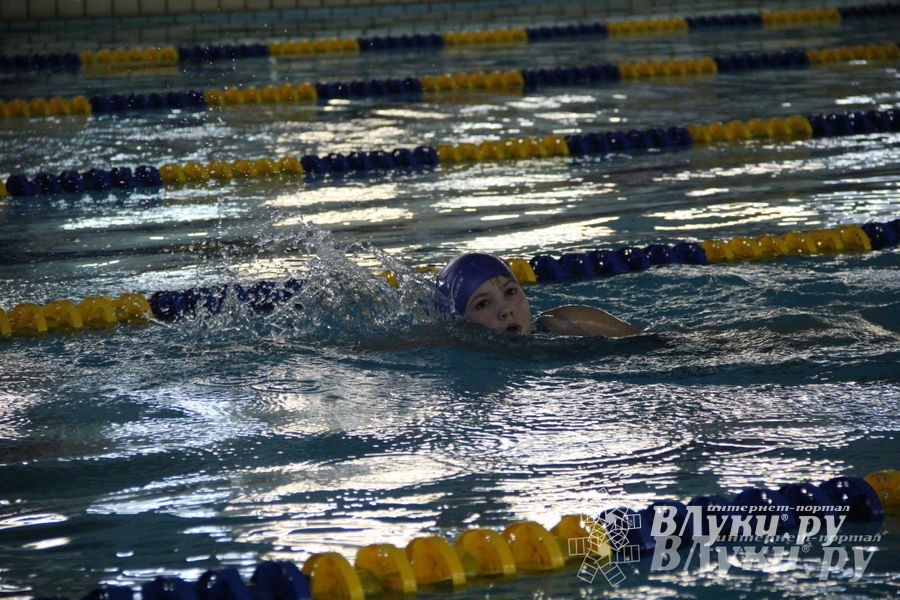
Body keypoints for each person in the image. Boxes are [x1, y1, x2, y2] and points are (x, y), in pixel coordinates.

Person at [436, 252, 639, 337]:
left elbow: (658, 344)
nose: (505, 310)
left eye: (510, 291)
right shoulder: (455, 347)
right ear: (460, 321)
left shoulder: (569, 323)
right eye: (483, 304)